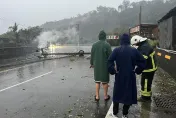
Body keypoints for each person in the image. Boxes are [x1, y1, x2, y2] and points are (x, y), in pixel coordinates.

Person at [108, 34, 146, 118]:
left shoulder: (116, 50)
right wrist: (137, 70)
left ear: (121, 40)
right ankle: (125, 114)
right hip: (130, 75)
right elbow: (143, 62)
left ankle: (115, 113)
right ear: (128, 40)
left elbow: (109, 61)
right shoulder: (134, 51)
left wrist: (113, 71)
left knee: (117, 94)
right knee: (128, 94)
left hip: (119, 75)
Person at [131, 35, 157, 102]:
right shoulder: (143, 45)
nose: (135, 46)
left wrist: (137, 70)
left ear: (137, 42)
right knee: (145, 82)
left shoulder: (144, 47)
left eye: (135, 44)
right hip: (148, 67)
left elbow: (142, 60)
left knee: (145, 83)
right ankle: (145, 95)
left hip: (149, 68)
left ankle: (146, 98)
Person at [90, 30, 112, 101]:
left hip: (97, 66)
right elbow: (111, 56)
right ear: (105, 37)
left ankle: (97, 96)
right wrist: (112, 64)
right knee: (105, 82)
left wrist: (91, 63)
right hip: (105, 66)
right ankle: (105, 96)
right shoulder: (107, 45)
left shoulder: (94, 45)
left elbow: (92, 56)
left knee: (97, 81)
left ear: (99, 37)